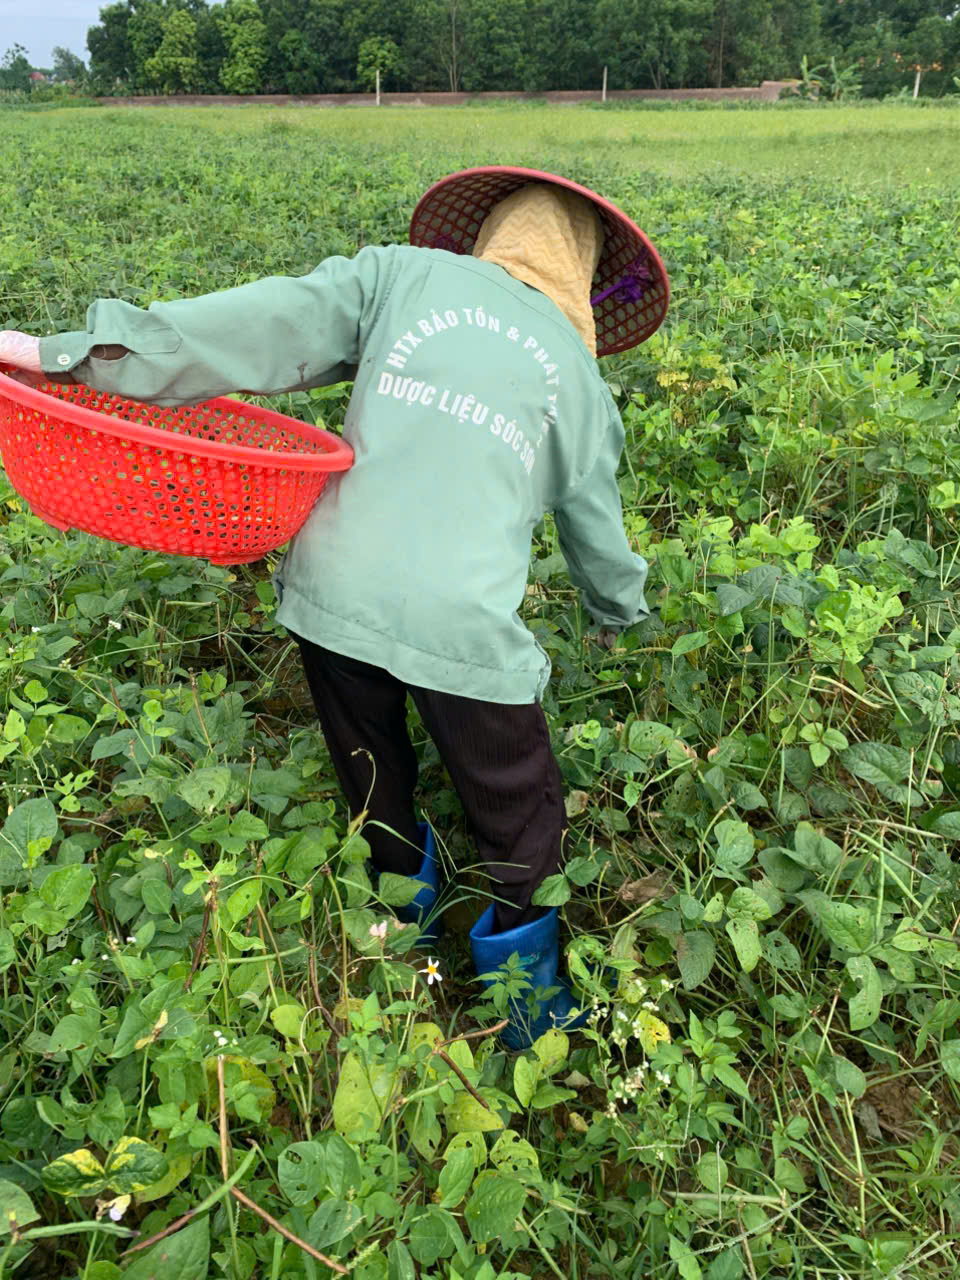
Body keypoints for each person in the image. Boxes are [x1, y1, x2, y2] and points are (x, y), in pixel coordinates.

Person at [0, 166, 669, 1049]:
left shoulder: (397, 277)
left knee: (372, 770)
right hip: (463, 625)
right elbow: (599, 536)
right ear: (581, 276)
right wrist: (621, 613)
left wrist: (69, 351)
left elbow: (255, 322)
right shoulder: (578, 382)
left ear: (490, 236)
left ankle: (405, 934)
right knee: (519, 804)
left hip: (332, 591)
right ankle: (528, 1008)